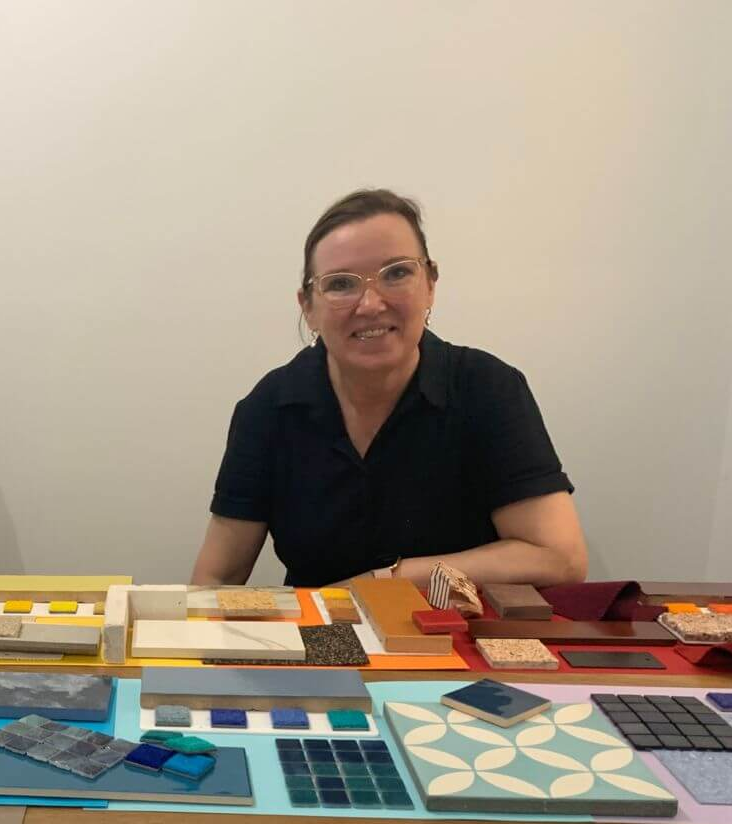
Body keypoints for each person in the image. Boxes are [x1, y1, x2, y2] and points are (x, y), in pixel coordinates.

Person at [191, 188, 587, 590]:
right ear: (308, 307)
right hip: (320, 628)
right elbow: (216, 576)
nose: (370, 304)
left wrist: (382, 583)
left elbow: (559, 557)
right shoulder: (269, 408)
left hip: (460, 628)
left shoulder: (487, 387)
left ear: (430, 284)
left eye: (396, 273)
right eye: (341, 283)